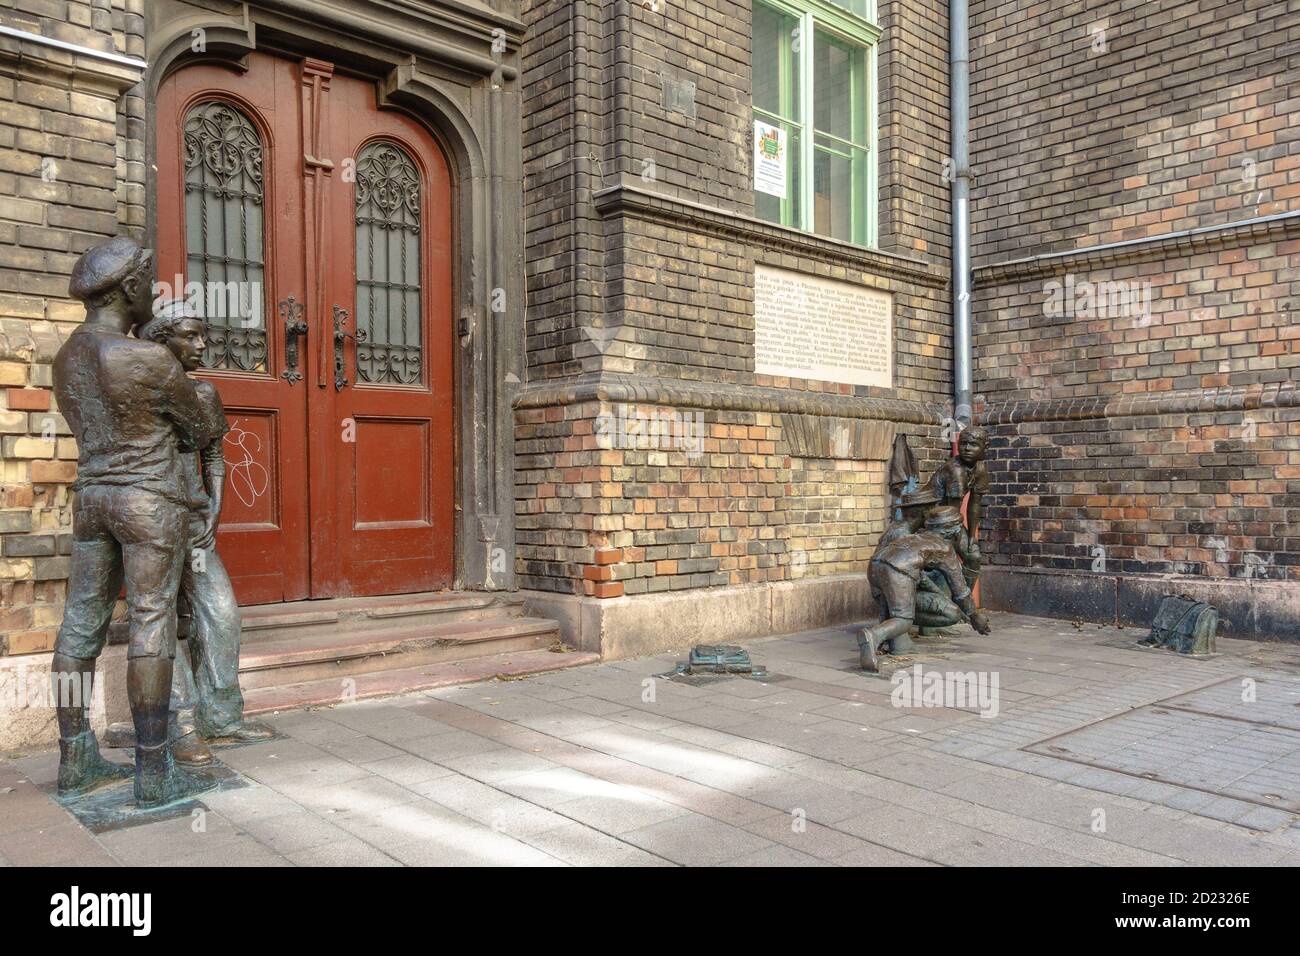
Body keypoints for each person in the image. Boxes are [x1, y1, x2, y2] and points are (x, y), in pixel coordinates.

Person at [52, 237, 219, 807]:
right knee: (151, 623)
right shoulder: (148, 358)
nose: (153, 293)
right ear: (129, 289)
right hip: (148, 500)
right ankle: (153, 771)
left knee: (79, 627)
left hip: (92, 499)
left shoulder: (66, 357)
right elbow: (200, 431)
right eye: (148, 283)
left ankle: (75, 756)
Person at [134, 303, 274, 764]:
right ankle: (181, 724)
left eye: (203, 337)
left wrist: (214, 511)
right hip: (150, 519)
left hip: (193, 520)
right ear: (161, 342)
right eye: (190, 337)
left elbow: (213, 457)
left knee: (221, 611)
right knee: (160, 621)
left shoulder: (204, 394)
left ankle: (222, 715)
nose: (201, 346)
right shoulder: (136, 393)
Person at [859, 506, 991, 672]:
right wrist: (974, 616)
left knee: (896, 607)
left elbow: (917, 575)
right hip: (897, 570)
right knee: (903, 619)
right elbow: (961, 591)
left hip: (875, 564)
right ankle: (873, 635)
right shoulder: (945, 548)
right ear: (955, 531)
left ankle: (900, 645)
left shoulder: (916, 538)